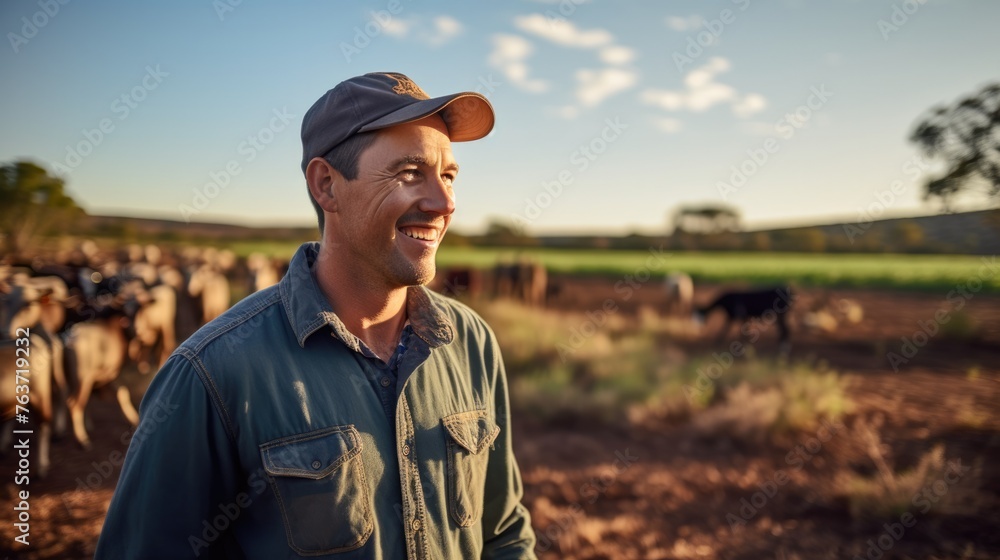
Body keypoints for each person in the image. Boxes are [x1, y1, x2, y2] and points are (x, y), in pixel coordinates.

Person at [95, 72, 537, 559]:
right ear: (326, 184)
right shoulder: (212, 373)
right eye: (410, 172)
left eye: (448, 175)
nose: (444, 203)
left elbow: (503, 531)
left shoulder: (470, 342)